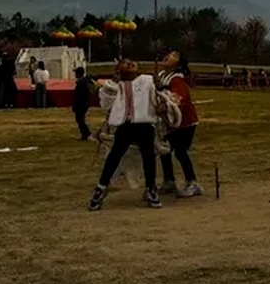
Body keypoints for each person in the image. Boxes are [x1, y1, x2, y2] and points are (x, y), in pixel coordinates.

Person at [89, 57, 162, 210]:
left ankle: (151, 188)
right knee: (114, 156)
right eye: (125, 63)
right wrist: (113, 84)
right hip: (124, 126)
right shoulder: (115, 85)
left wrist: (160, 88)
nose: (130, 63)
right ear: (119, 70)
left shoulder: (148, 81)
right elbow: (105, 104)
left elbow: (159, 99)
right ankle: (101, 187)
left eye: (132, 62)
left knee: (148, 156)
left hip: (145, 124)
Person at [156, 52, 203, 197]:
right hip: (170, 123)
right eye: (168, 54)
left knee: (180, 151)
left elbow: (178, 100)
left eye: (173, 55)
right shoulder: (163, 76)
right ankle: (169, 181)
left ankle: (193, 183)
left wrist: (165, 105)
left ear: (178, 64)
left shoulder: (176, 80)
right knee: (164, 150)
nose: (168, 56)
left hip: (185, 123)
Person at [73, 63, 95, 140]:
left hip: (81, 104)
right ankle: (85, 134)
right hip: (83, 103)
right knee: (79, 119)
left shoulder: (82, 83)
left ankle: (86, 134)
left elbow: (80, 95)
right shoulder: (82, 81)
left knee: (80, 119)